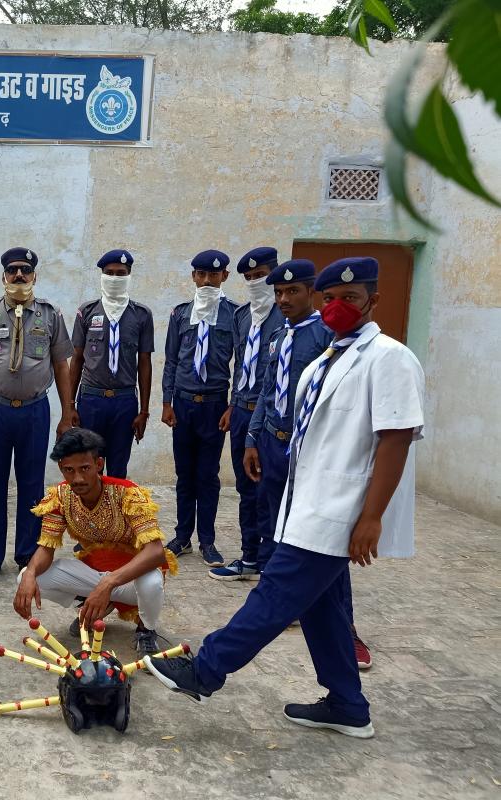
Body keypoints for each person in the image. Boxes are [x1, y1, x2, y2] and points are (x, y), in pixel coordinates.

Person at [146, 257, 425, 739]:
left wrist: (372, 517)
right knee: (323, 608)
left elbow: (396, 438)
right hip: (308, 501)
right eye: (330, 298)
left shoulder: (389, 357)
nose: (337, 307)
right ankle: (347, 705)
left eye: (351, 298)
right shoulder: (327, 358)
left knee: (275, 593)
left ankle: (205, 671)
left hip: (340, 508)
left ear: (373, 301)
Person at [0, 247, 75, 585]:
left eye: (25, 270)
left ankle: (26, 555)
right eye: (13, 270)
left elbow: (62, 366)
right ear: (4, 276)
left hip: (35, 410)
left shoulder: (50, 315)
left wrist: (67, 414)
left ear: (35, 275)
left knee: (32, 485)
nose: (19, 276)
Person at [211, 259, 328, 581]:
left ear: (311, 291)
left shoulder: (325, 336)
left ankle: (287, 575)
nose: (284, 299)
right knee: (263, 502)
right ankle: (259, 562)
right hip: (269, 436)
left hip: (303, 442)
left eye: (293, 291)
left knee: (295, 510)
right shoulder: (278, 335)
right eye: (279, 292)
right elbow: (267, 389)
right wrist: (252, 438)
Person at [14, 428, 176, 658]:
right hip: (96, 573)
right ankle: (96, 604)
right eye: (69, 470)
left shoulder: (127, 493)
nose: (77, 479)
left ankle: (146, 630)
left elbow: (156, 552)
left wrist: (108, 583)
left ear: (99, 464)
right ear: (61, 468)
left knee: (152, 583)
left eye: (85, 469)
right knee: (27, 576)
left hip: (132, 579)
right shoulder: (60, 496)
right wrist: (30, 573)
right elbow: (46, 548)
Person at [161, 250, 238, 567]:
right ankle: (182, 537)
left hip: (214, 406)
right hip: (183, 405)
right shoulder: (180, 314)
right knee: (184, 475)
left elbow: (242, 364)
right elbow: (171, 360)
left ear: (225, 277)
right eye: (202, 274)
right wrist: (166, 402)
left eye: (214, 275)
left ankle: (207, 540)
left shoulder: (234, 315)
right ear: (193, 276)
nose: (207, 280)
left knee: (207, 475)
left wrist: (233, 406)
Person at [211, 248, 284, 581]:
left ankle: (271, 562)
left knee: (269, 491)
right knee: (246, 488)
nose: (255, 282)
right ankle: (250, 556)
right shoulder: (242, 316)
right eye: (250, 278)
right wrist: (232, 405)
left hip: (271, 418)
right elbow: (240, 365)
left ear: (275, 274)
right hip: (242, 412)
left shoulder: (285, 316)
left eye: (261, 276)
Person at [68, 249, 153, 479]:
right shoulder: (86, 312)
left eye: (120, 273)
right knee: (88, 465)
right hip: (91, 400)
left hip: (124, 402)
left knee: (118, 468)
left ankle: (114, 505)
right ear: (102, 275)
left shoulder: (142, 315)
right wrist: (70, 405)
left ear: (129, 275)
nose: (114, 278)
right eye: (109, 273)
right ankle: (89, 505)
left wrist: (144, 411)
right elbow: (76, 359)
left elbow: (145, 362)